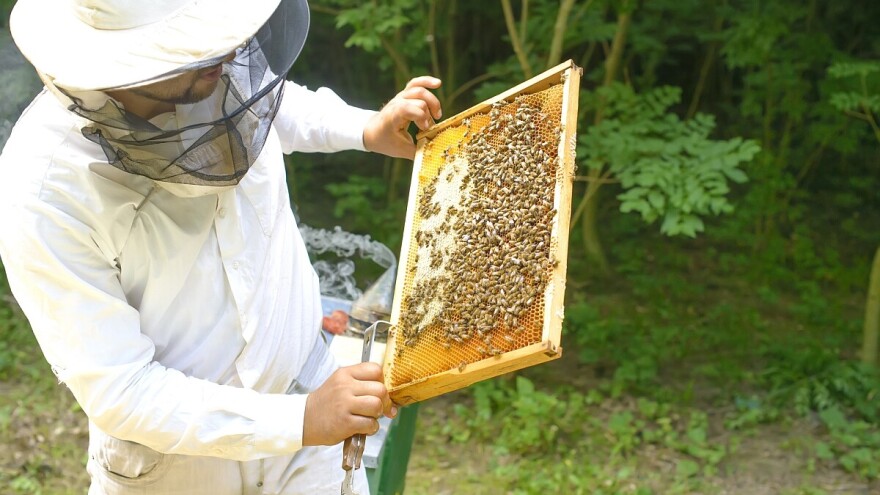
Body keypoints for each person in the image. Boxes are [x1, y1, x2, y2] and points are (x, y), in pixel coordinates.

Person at [0, 0, 442, 493]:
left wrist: (363, 128)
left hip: (307, 414)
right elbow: (120, 389)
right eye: (193, 45)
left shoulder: (213, 70)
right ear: (124, 62)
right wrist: (301, 419)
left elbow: (270, 102)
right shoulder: (42, 191)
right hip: (178, 469)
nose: (229, 53)